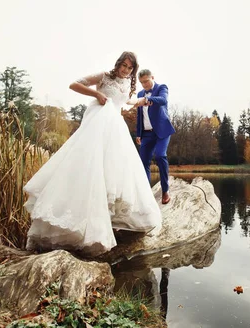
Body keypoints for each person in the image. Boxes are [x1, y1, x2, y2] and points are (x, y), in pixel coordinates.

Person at [24, 52, 162, 256]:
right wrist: (96, 94)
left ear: (133, 69)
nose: (125, 70)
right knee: (90, 168)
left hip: (116, 129)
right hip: (97, 125)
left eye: (129, 68)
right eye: (123, 65)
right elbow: (74, 84)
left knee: (114, 173)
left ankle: (110, 222)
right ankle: (79, 230)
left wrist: (140, 103)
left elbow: (126, 101)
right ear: (118, 64)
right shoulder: (105, 76)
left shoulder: (127, 84)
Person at [136, 69, 175, 204]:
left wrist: (147, 99)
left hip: (162, 131)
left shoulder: (161, 88)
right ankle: (147, 193)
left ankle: (165, 190)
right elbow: (139, 115)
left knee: (160, 155)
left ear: (152, 77)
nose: (144, 85)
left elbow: (163, 100)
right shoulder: (140, 94)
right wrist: (138, 133)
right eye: (141, 83)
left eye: (146, 81)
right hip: (146, 133)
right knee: (143, 162)